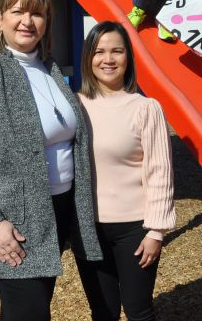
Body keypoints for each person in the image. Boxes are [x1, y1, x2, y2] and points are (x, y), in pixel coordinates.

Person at [0, 0, 102, 321]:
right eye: (18, 12)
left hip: (59, 210)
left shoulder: (48, 68)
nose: (27, 21)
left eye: (37, 14)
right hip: (15, 219)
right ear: (0, 18)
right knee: (28, 311)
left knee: (33, 308)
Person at [75, 21, 175, 321]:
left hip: (135, 228)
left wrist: (156, 231)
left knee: (138, 311)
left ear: (128, 57)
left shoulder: (145, 108)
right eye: (99, 51)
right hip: (88, 228)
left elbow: (160, 173)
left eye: (117, 51)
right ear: (88, 58)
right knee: (102, 312)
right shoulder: (74, 106)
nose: (108, 59)